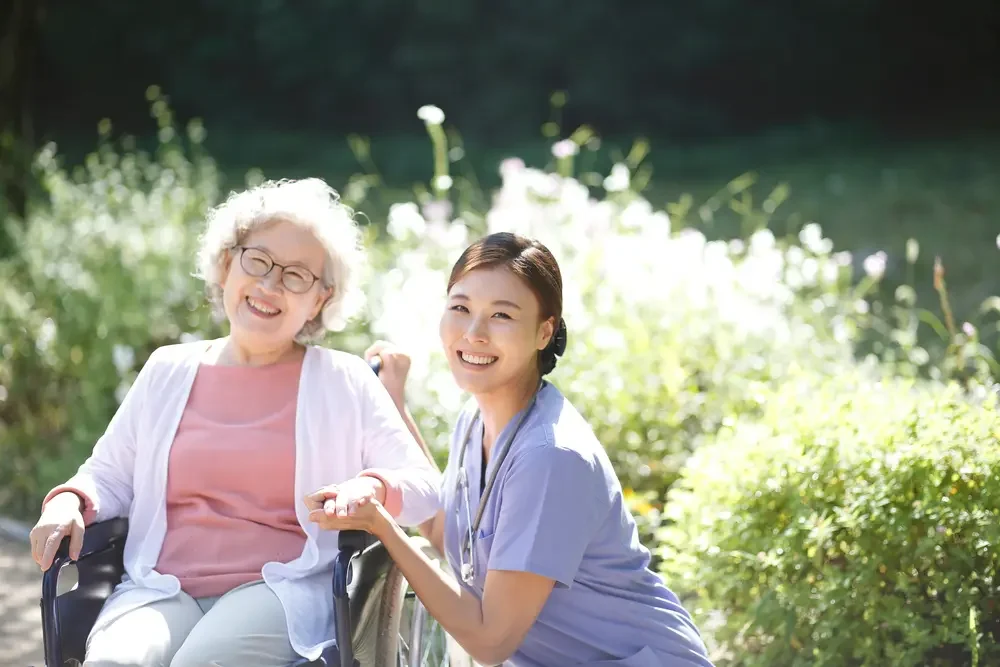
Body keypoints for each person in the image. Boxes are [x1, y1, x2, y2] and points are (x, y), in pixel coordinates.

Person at [28, 178, 441, 667]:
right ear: (227, 264)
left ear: (321, 299)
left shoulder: (342, 380)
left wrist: (371, 489)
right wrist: (70, 501)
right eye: (258, 261)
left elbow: (423, 489)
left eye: (296, 276)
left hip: (276, 589)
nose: (269, 286)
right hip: (160, 588)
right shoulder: (167, 369)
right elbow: (109, 474)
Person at [307, 232, 714, 666]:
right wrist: (396, 408)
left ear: (544, 331)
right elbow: (451, 539)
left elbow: (489, 641)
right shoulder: (476, 418)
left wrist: (383, 525)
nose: (474, 333)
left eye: (501, 315)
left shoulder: (550, 457)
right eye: (460, 308)